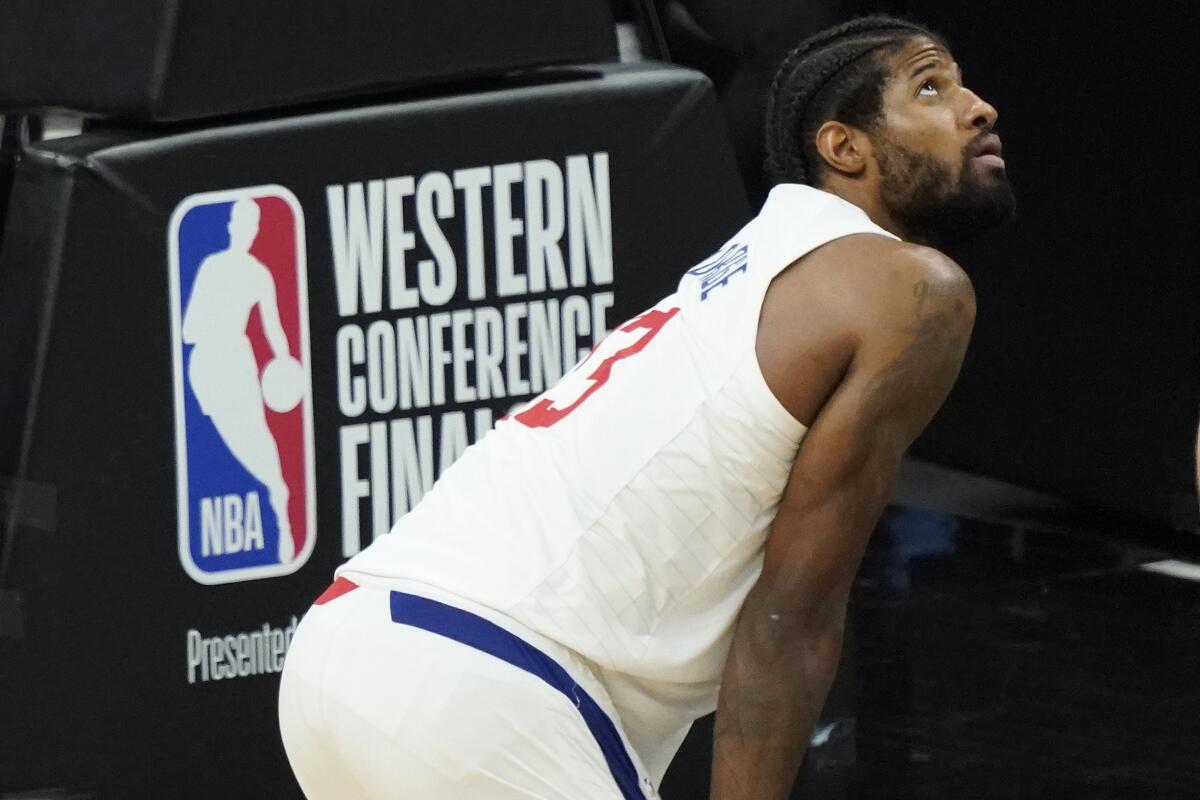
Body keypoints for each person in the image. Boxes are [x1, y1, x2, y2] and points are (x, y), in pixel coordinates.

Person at [278, 14, 1015, 799]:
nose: (978, 107)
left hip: (348, 644)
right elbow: (790, 622)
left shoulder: (754, 265)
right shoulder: (912, 290)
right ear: (844, 148)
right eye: (931, 88)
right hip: (490, 678)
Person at [183, 198, 296, 563]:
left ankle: (280, 507)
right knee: (232, 445)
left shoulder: (260, 274)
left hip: (237, 361)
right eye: (241, 222)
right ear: (231, 226)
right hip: (206, 366)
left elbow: (274, 328)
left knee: (256, 437)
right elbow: (188, 329)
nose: (247, 230)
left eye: (253, 224)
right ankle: (276, 493)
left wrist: (284, 363)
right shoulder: (211, 267)